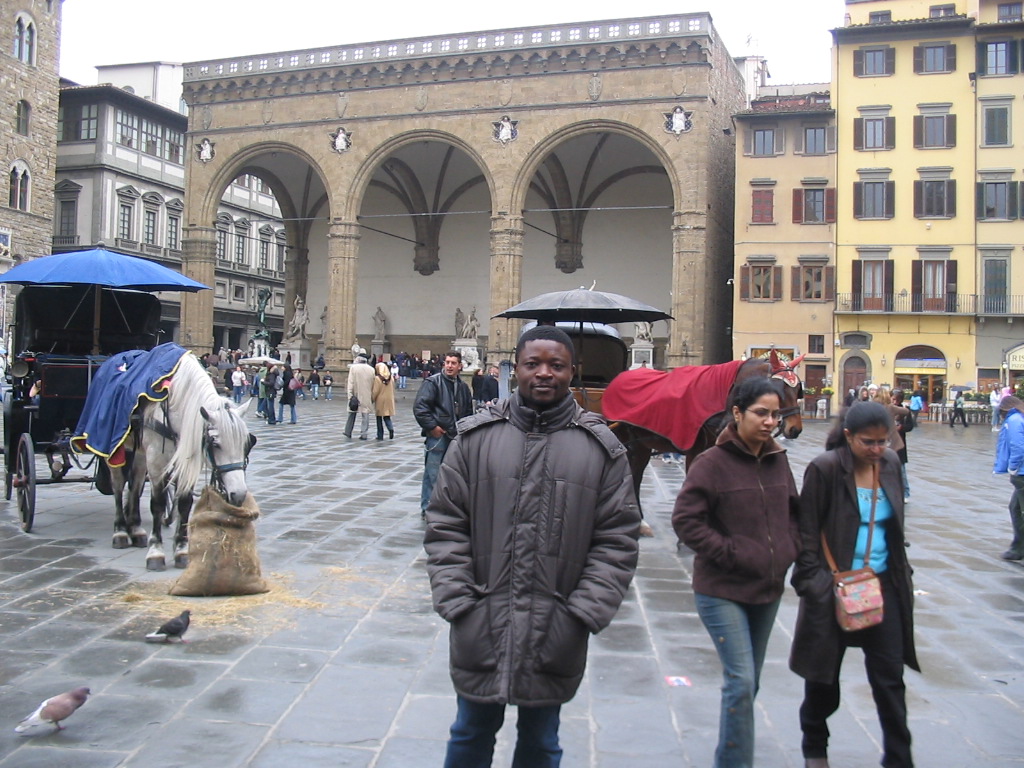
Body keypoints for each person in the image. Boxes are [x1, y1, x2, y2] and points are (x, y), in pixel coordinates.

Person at [424, 325, 640, 768]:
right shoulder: (473, 440)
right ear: (515, 370)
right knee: (469, 734)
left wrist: (582, 612)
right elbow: (445, 522)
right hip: (480, 618)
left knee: (542, 742)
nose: (544, 373)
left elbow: (617, 537)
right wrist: (457, 600)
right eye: (533, 364)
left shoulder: (601, 450)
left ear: (572, 372)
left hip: (555, 625)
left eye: (556, 365)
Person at [673, 377, 801, 768]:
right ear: (737, 413)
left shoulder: (779, 459)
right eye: (761, 413)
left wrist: (788, 548)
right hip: (721, 589)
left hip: (768, 587)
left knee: (749, 683)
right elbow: (686, 520)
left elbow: (795, 513)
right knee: (741, 681)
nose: (770, 422)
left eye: (775, 415)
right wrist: (729, 552)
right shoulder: (712, 463)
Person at [790, 402, 919, 768]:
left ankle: (899, 758)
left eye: (884, 441)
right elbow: (807, 532)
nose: (878, 450)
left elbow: (894, 529)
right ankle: (815, 747)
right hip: (834, 589)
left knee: (890, 679)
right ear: (848, 436)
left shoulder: (890, 465)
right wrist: (815, 584)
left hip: (882, 588)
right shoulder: (826, 468)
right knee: (823, 678)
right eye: (869, 442)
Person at [413, 350, 473, 519]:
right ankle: (428, 509)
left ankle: (446, 508)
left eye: (453, 363)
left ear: (460, 366)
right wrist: (433, 427)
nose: (449, 366)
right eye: (447, 362)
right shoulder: (433, 383)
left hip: (456, 436)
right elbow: (420, 408)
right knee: (432, 474)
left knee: (453, 475)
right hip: (438, 436)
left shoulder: (462, 387)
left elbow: (468, 411)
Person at [993, 395, 1024, 561]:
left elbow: (1018, 446)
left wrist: (1013, 467)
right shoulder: (1019, 418)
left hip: (1022, 473)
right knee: (1015, 508)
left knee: (1020, 510)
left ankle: (1019, 549)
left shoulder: (1014, 421)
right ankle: (1018, 547)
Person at [874, 387, 911, 503]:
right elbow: (906, 411)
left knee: (897, 468)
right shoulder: (889, 407)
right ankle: (896, 492)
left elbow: (909, 422)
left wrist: (901, 425)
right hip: (890, 442)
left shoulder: (875, 408)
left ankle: (901, 492)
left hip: (886, 443)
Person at [345, 354, 375, 440]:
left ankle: (348, 431)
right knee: (365, 414)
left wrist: (350, 396)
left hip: (355, 394)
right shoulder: (371, 369)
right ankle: (364, 433)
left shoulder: (353, 368)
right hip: (367, 395)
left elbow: (350, 383)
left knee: (351, 413)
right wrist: (372, 396)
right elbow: (373, 384)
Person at [372, 361, 396, 440]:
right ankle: (390, 428)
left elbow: (375, 391)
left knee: (379, 418)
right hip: (389, 399)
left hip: (380, 399)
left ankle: (380, 435)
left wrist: (372, 399)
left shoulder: (377, 378)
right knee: (387, 416)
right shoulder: (391, 377)